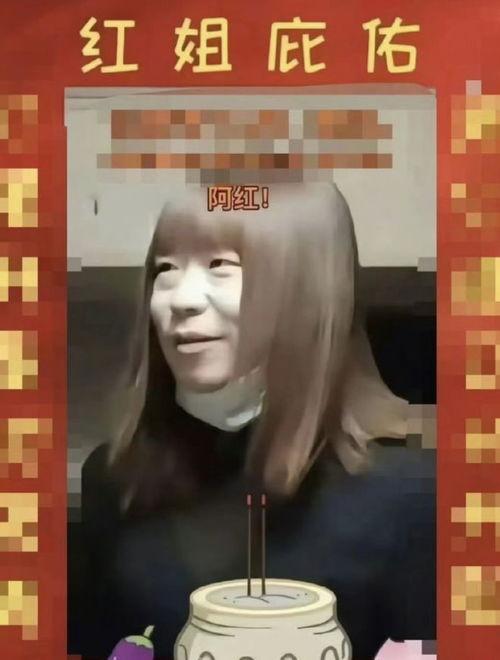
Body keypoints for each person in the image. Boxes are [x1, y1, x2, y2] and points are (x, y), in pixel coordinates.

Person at [76, 183, 436, 659]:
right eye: (165, 270)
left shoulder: (414, 497)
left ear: (306, 291)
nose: (181, 300)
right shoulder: (115, 480)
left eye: (220, 266)